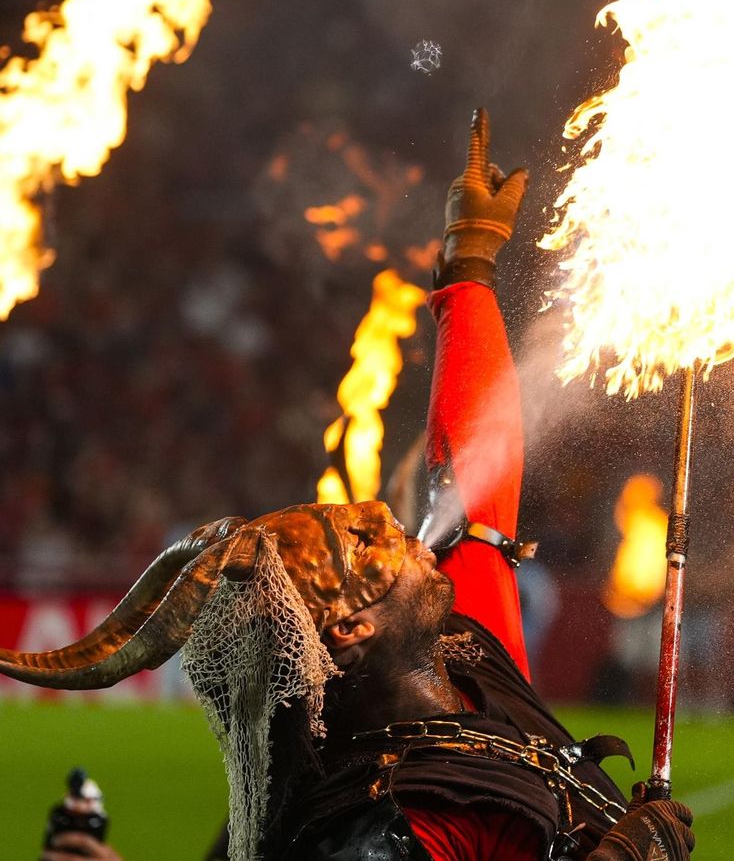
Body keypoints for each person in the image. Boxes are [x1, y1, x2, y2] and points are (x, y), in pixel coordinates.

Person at [9, 110, 696, 861]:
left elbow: (473, 466)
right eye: (361, 541)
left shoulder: (467, 654)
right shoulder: (369, 834)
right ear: (349, 629)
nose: (379, 512)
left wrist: (470, 268)